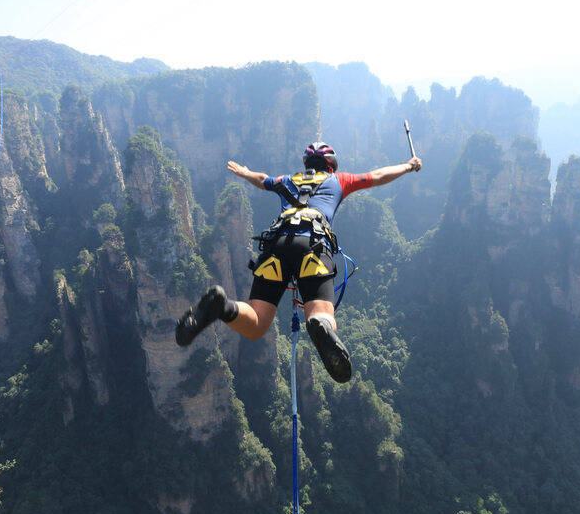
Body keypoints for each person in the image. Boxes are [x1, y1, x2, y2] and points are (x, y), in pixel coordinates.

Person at [174, 141, 422, 383]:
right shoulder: (339, 180)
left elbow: (262, 180)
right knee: (319, 313)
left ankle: (222, 306)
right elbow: (376, 176)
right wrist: (408, 166)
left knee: (257, 323)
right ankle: (319, 324)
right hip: (312, 246)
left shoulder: (289, 180)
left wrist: (245, 173)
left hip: (276, 246)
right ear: (331, 165)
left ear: (306, 164)